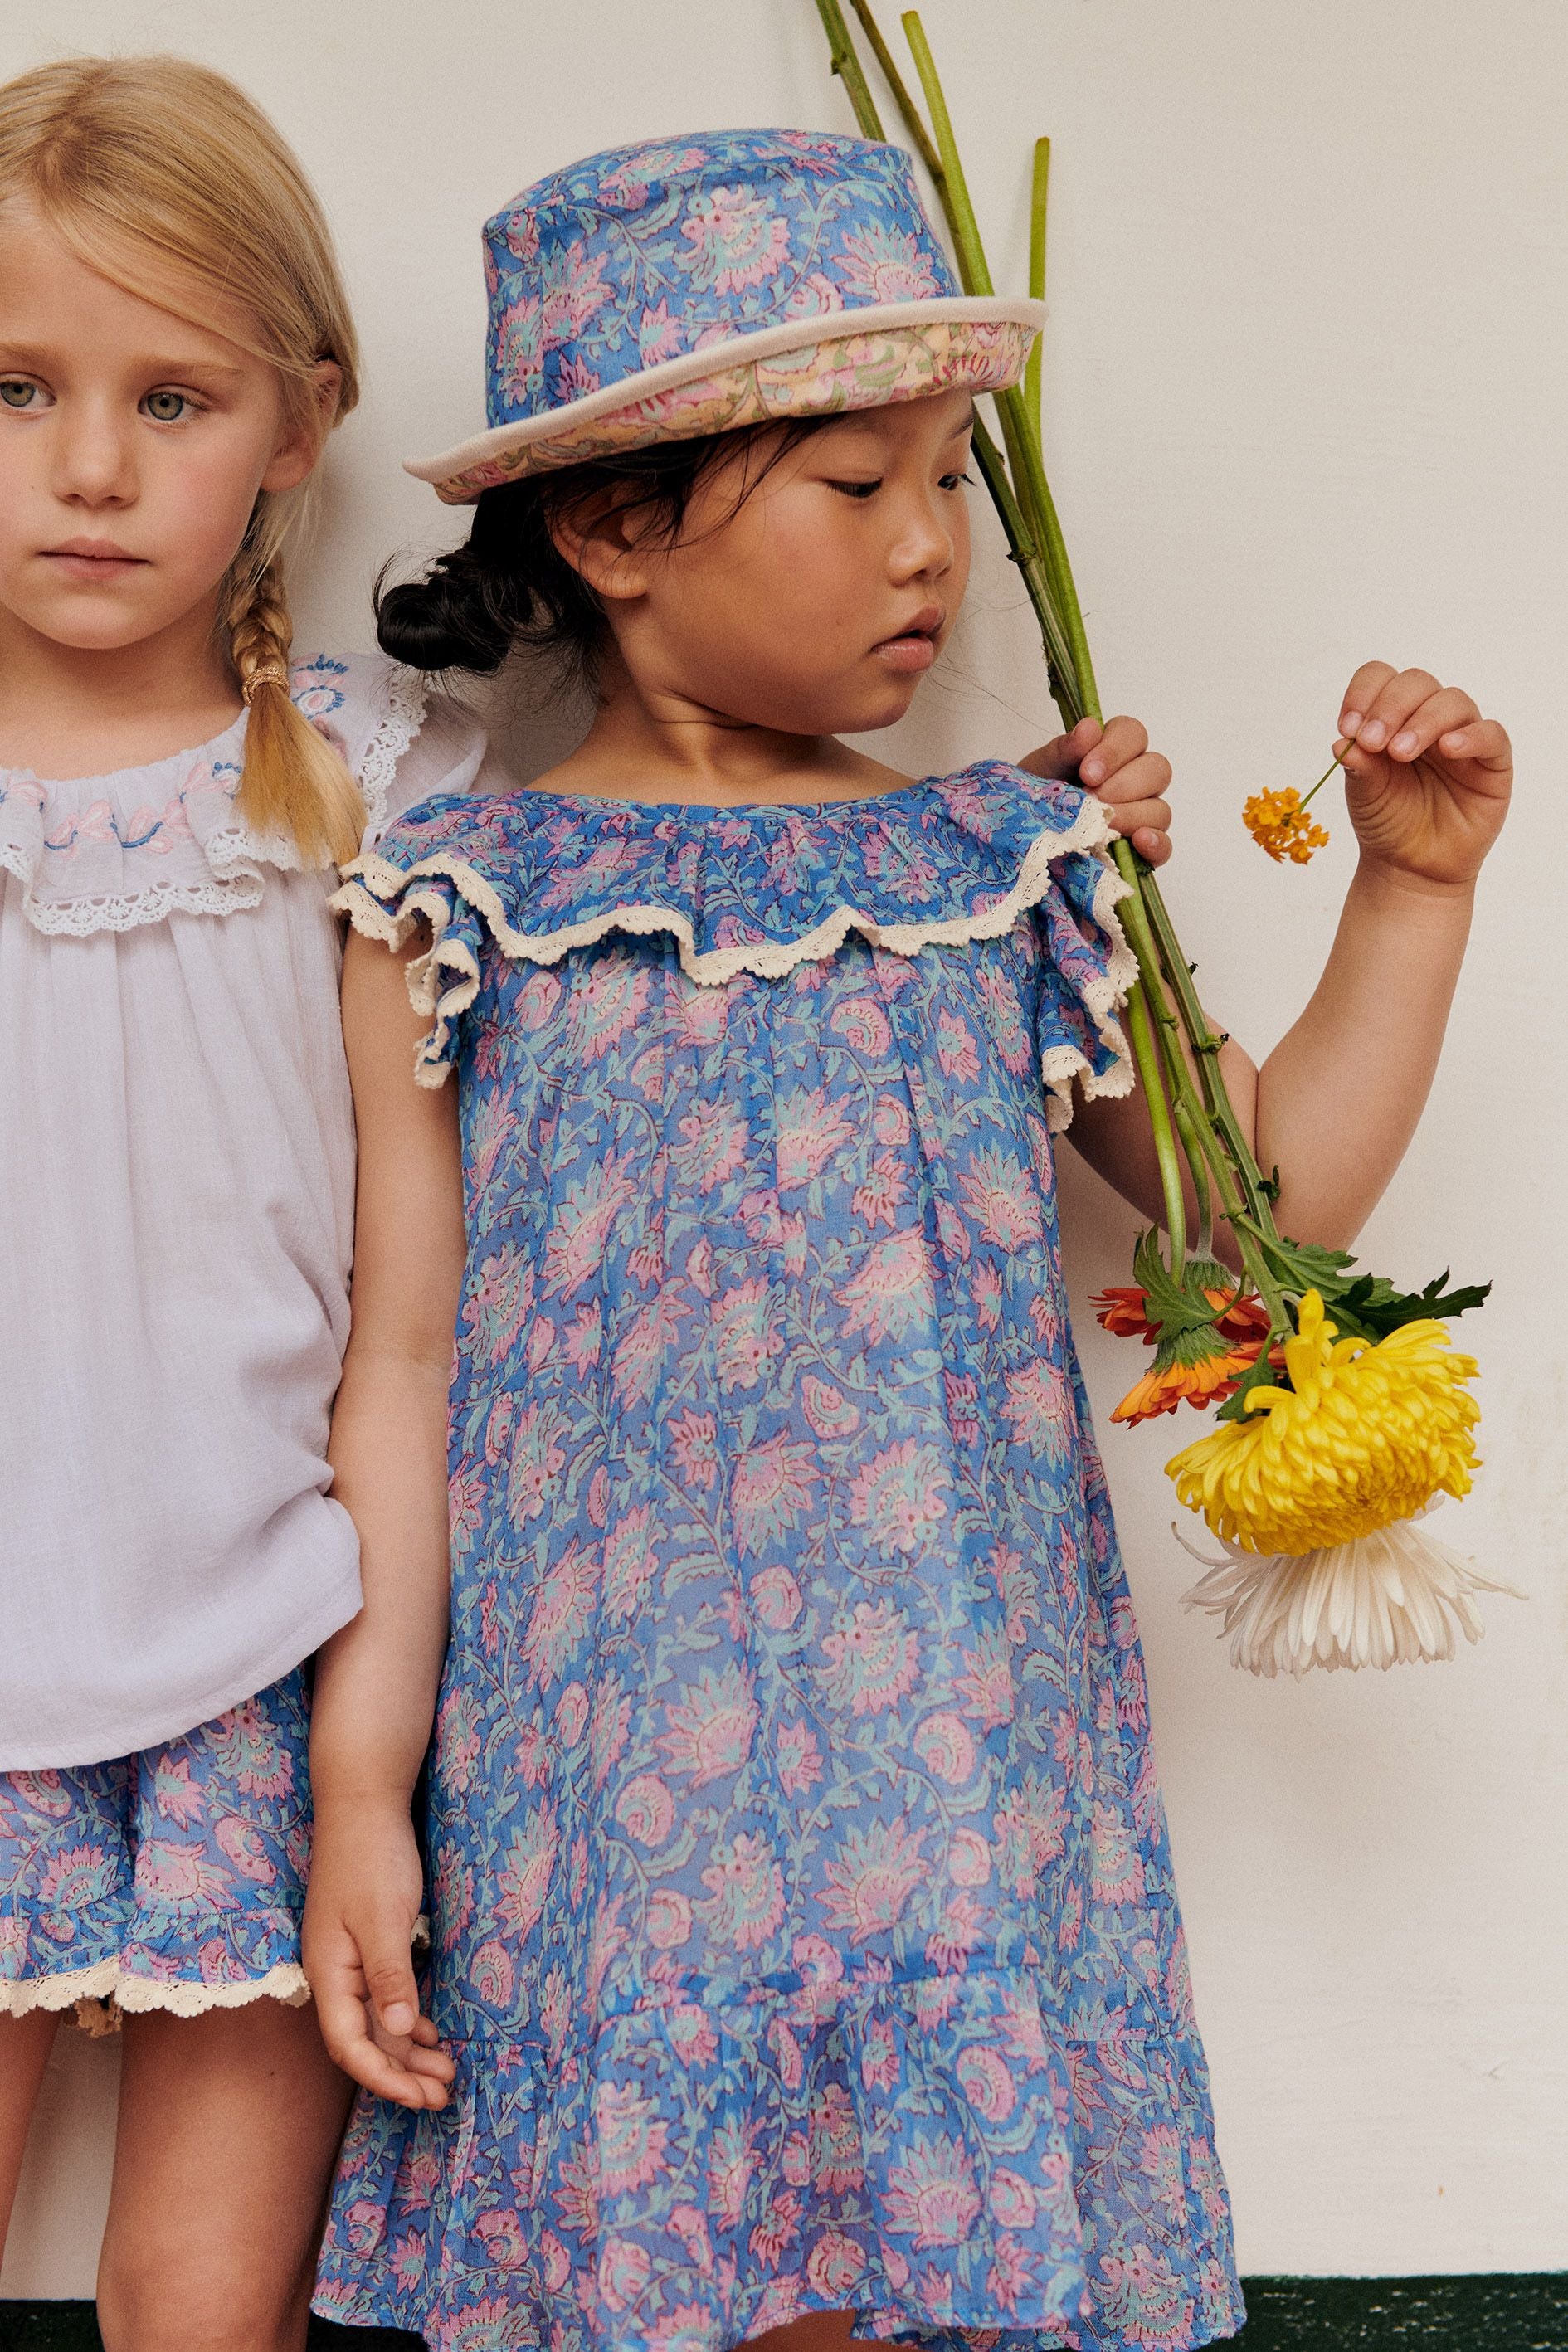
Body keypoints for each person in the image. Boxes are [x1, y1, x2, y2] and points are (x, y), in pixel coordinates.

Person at [305, 133, 1510, 2352]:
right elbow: (396, 1359)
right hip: (596, 1779)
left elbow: (1257, 1233)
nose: (931, 547)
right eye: (854, 488)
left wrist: (1409, 890)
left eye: (950, 483)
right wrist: (359, 1788)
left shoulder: (1002, 865)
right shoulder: (454, 900)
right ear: (607, 526)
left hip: (948, 1774)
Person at [0, 55, 488, 2349]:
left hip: (262, 1668)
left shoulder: (371, 809)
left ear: (301, 420)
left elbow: (405, 1338)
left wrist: (365, 1768)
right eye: (12, 388)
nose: (88, 467)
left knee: (200, 2308)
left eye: (168, 394)